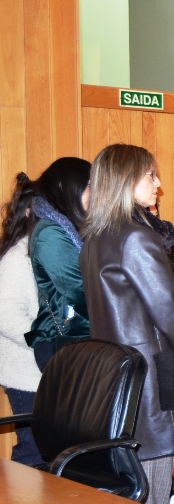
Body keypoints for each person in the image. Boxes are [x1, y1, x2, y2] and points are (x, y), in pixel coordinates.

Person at [79, 144, 174, 504]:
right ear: (126, 179)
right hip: (151, 377)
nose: (158, 183)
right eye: (150, 174)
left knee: (129, 498)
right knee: (153, 499)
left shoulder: (93, 240)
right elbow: (171, 311)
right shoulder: (135, 236)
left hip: (115, 377)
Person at [25, 157, 92, 371]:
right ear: (64, 186)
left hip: (76, 338)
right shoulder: (49, 233)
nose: (96, 193)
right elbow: (80, 288)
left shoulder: (66, 227)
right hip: (64, 340)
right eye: (89, 185)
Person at [0, 174, 43, 465]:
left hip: (41, 371)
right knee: (32, 449)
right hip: (24, 373)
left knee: (43, 449)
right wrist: (43, 341)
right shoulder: (18, 257)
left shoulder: (40, 251)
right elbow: (6, 316)